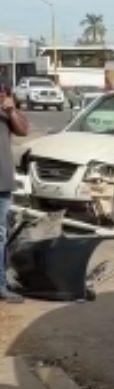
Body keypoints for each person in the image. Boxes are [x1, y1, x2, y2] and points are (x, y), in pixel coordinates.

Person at [0, 86, 29, 303]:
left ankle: (1, 282)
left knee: (2, 236)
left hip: (3, 183)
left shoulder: (6, 111)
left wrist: (11, 111)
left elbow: (22, 130)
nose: (2, 95)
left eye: (3, 92)